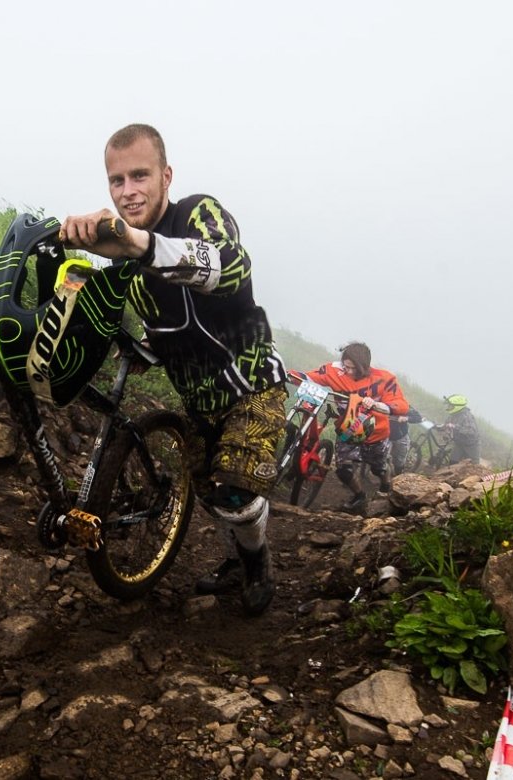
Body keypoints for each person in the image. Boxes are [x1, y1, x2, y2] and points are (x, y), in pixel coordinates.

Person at [60, 124, 287, 616]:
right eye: (116, 181)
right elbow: (164, 320)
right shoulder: (127, 259)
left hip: (252, 384)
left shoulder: (197, 213)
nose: (128, 190)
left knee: (237, 494)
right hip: (197, 399)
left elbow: (228, 267)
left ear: (165, 175)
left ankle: (256, 562)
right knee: (209, 494)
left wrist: (139, 245)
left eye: (140, 175)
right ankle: (239, 552)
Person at [301, 342, 409, 514]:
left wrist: (378, 404)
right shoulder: (334, 371)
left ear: (365, 366)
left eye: (354, 369)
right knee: (343, 468)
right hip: (348, 430)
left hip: (375, 432)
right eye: (346, 366)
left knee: (378, 467)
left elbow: (401, 404)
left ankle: (385, 482)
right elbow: (309, 376)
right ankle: (359, 496)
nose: (349, 371)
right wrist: (285, 373)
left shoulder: (384, 378)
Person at [443, 394, 480, 464]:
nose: (448, 407)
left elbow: (471, 431)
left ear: (457, 407)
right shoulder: (453, 415)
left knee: (473, 466)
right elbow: (446, 424)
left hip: (471, 445)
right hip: (459, 443)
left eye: (450, 406)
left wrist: (455, 427)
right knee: (452, 462)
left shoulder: (466, 416)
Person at [389, 406, 424, 475]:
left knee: (399, 461)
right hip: (385, 436)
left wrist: (407, 418)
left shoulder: (404, 405)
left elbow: (418, 417)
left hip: (401, 437)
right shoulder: (383, 401)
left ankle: (397, 476)